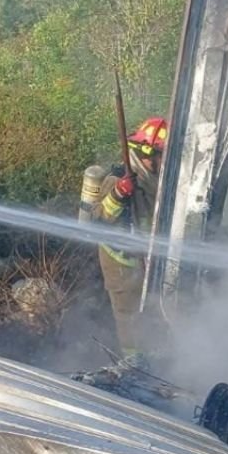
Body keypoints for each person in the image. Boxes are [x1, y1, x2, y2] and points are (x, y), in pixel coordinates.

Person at [91, 116, 168, 368]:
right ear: (149, 154)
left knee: (155, 312)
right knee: (129, 317)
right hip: (121, 261)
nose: (164, 163)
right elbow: (98, 220)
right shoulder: (118, 179)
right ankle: (132, 366)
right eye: (161, 156)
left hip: (147, 259)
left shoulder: (156, 180)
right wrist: (118, 194)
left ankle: (158, 358)